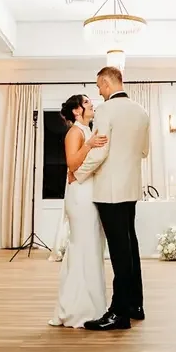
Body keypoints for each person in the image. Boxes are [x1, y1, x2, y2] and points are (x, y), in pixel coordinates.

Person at [82, 66, 150, 331]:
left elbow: (99, 153)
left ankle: (118, 313)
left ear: (105, 82)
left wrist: (78, 172)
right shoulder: (142, 111)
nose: (98, 91)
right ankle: (136, 304)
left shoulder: (105, 110)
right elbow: (144, 151)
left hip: (109, 190)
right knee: (130, 246)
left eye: (99, 86)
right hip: (131, 188)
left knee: (119, 252)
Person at [50, 95, 110, 327]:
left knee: (93, 247)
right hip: (79, 195)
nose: (92, 104)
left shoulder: (88, 130)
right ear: (76, 111)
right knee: (83, 246)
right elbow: (72, 164)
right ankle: (77, 308)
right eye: (87, 102)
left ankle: (92, 305)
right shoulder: (75, 133)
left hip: (90, 192)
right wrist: (89, 145)